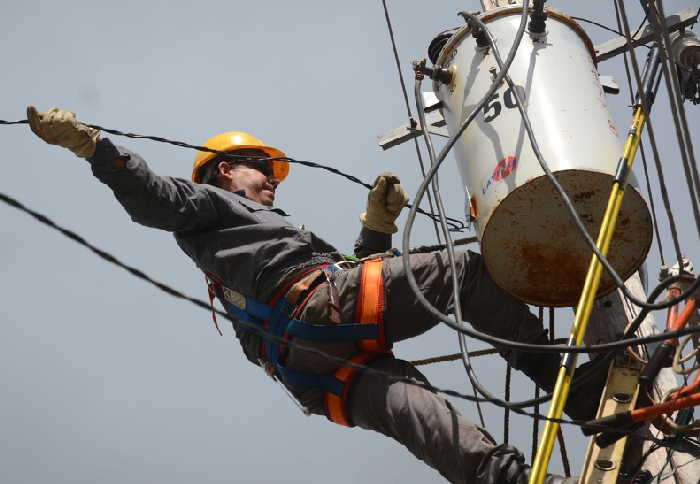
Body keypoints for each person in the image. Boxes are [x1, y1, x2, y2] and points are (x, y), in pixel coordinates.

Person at [26, 106, 597, 484]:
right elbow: (151, 197)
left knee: (422, 416)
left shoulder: (245, 243)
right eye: (261, 168)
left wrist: (377, 228)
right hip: (319, 311)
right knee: (464, 271)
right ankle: (576, 391)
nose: (272, 178)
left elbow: (358, 273)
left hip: (317, 369)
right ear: (225, 171)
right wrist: (93, 145)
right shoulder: (211, 206)